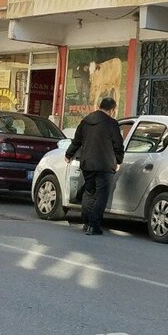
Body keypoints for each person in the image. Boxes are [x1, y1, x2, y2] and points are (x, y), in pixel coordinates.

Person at [65, 97, 124, 236]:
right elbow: (118, 144)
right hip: (105, 164)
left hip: (87, 163)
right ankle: (94, 225)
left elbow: (76, 141)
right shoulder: (112, 124)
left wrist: (68, 154)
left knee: (89, 192)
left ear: (100, 106)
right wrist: (118, 160)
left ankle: (86, 223)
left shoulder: (86, 121)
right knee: (101, 195)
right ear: (112, 110)